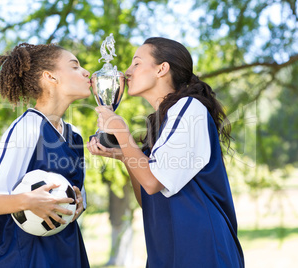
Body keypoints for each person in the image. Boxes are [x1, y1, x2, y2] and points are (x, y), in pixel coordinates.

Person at [87, 37, 244, 267]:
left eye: (136, 63)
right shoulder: (160, 124)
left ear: (162, 69)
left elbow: (153, 182)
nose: (127, 72)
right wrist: (125, 156)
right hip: (167, 252)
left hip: (202, 252)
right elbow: (148, 197)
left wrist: (121, 131)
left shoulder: (189, 109)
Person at [0, 43, 91, 268]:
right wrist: (29, 201)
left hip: (68, 249)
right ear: (50, 77)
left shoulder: (75, 136)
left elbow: (76, 200)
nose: (86, 72)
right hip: (28, 255)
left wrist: (78, 203)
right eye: (74, 67)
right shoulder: (27, 128)